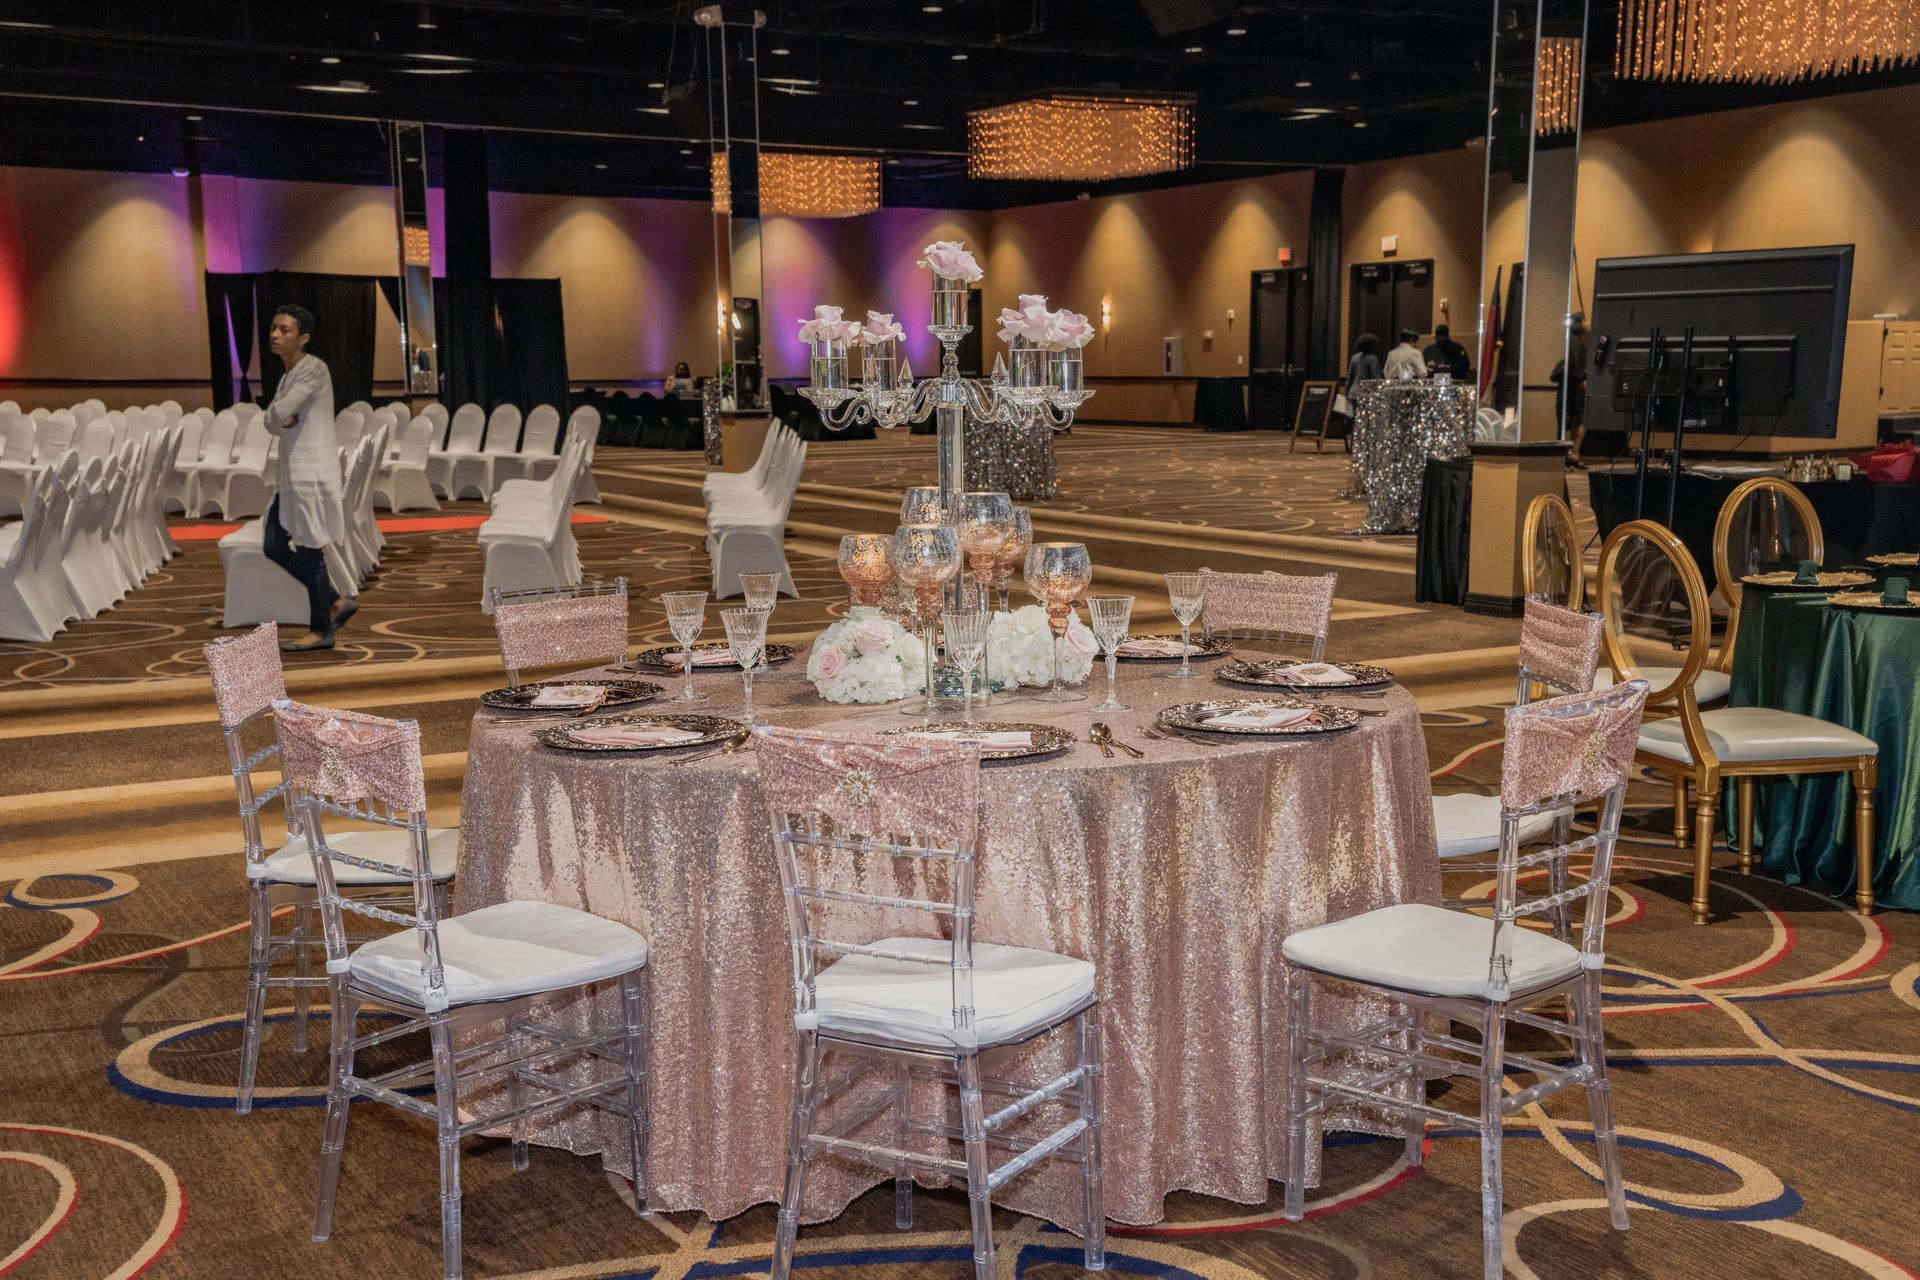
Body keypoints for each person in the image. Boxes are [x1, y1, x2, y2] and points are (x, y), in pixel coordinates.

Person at [259, 304, 353, 652]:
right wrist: (276, 418)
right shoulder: (289, 375)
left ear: (304, 338)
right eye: (273, 327)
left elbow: (277, 414)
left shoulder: (312, 369)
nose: (275, 334)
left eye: (284, 330)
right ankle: (336, 602)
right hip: (292, 477)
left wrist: (276, 418)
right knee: (273, 544)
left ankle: (321, 629)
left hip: (309, 475)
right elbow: (273, 419)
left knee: (310, 549)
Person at [1554, 312, 1591, 469]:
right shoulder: (1575, 342)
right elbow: (1576, 369)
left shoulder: (1575, 341)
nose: (1588, 323)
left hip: (1571, 389)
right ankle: (1571, 455)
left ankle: (1571, 455)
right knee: (1576, 422)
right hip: (1574, 390)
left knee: (1573, 423)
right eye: (1585, 320)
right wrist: (1583, 379)